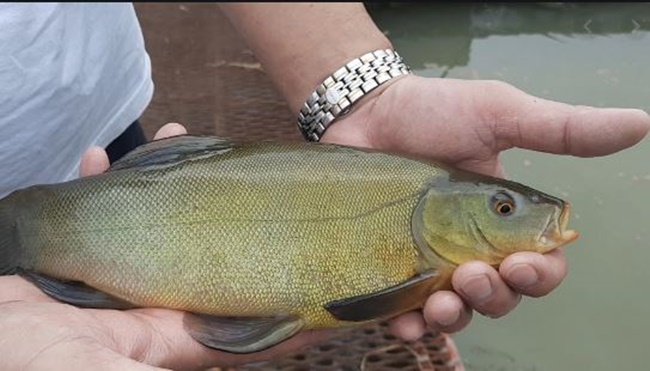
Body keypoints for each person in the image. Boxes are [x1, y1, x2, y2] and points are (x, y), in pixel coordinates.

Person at [0, 3, 648, 370]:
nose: (516, 212)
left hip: (97, 120)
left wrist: (360, 89)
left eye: (501, 205)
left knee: (108, 224)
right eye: (503, 206)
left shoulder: (418, 220)